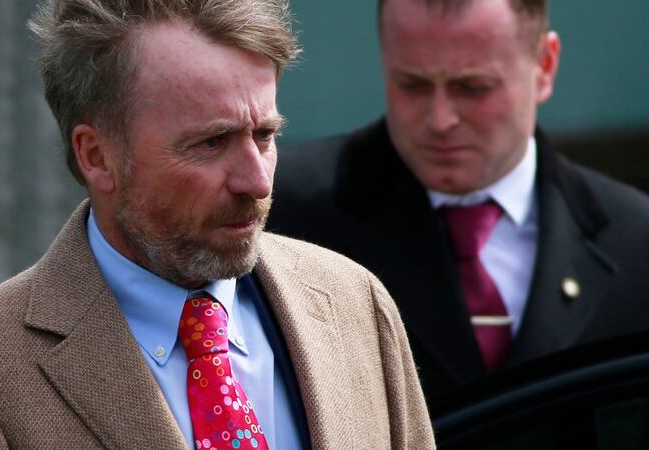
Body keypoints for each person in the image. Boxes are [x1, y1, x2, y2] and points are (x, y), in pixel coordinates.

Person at [0, 0, 434, 448]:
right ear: (96, 156)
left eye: (265, 136)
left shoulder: (355, 304)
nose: (257, 181)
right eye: (211, 143)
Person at [269, 0, 649, 405]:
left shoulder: (634, 241)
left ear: (545, 65)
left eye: (473, 87)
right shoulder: (281, 212)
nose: (440, 120)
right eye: (412, 85)